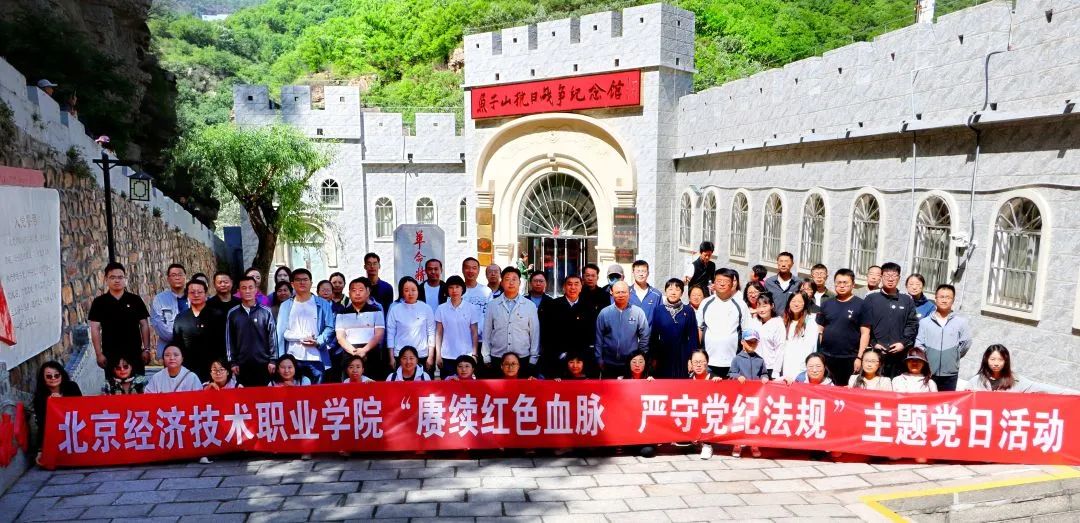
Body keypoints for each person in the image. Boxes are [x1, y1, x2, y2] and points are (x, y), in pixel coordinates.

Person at [89, 262, 151, 377]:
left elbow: (144, 325)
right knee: (114, 386)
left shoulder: (135, 300)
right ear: (106, 279)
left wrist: (146, 349)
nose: (117, 280)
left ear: (125, 279)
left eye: (120, 277)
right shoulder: (99, 303)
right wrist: (98, 354)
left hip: (134, 352)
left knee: (137, 384)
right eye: (112, 277)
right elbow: (95, 328)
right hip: (110, 353)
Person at [276, 268, 336, 384]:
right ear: (292, 284)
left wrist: (318, 341)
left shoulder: (323, 304)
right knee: (294, 391)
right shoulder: (285, 306)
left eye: (305, 279)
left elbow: (330, 327)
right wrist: (281, 358)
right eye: (298, 280)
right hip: (293, 357)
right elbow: (280, 333)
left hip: (316, 356)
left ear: (311, 283)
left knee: (316, 392)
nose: (302, 282)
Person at [860, 262, 919, 378]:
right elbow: (866, 326)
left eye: (894, 276)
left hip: (899, 355)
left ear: (899, 278)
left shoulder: (907, 300)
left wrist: (902, 343)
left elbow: (912, 324)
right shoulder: (871, 298)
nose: (890, 279)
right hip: (876, 353)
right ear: (881, 277)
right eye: (887, 275)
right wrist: (874, 343)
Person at [915, 284, 972, 392]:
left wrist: (954, 355)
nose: (944, 300)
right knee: (927, 399)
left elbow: (966, 342)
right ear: (935, 299)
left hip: (950, 372)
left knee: (947, 401)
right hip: (929, 370)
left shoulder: (961, 322)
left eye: (948, 297)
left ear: (953, 300)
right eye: (941, 297)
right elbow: (919, 344)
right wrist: (927, 357)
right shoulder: (925, 322)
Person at [482, 267, 540, 371]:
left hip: (522, 357)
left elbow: (534, 333)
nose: (511, 282)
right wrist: (486, 356)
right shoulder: (492, 305)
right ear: (502, 283)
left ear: (519, 283)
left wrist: (533, 357)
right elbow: (487, 332)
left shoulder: (530, 305)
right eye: (507, 279)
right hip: (497, 357)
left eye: (514, 279)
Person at [817, 269, 867, 387]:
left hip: (850, 358)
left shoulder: (861, 305)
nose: (842, 286)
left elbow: (865, 333)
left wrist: (859, 357)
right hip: (827, 356)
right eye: (838, 282)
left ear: (853, 284)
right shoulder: (826, 304)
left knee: (847, 390)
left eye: (845, 282)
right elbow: (820, 330)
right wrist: (820, 354)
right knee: (826, 388)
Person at [226, 276, 278, 387]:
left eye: (250, 287)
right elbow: (230, 339)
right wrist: (233, 362)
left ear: (256, 289)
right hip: (241, 365)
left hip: (264, 364)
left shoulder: (266, 312)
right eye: (244, 288)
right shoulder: (233, 313)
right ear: (239, 291)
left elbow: (272, 337)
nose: (247, 291)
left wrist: (273, 360)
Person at [538, 275, 595, 379]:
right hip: (557, 359)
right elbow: (546, 335)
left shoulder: (588, 307)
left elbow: (590, 335)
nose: (573, 287)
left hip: (579, 362)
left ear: (581, 287)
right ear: (564, 287)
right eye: (569, 284)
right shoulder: (552, 306)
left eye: (576, 284)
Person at [697, 269, 750, 378]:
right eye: (719, 281)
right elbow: (699, 328)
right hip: (708, 362)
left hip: (733, 362)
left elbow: (746, 331)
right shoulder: (706, 303)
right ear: (714, 283)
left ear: (732, 283)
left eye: (726, 281)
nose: (722, 284)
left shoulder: (741, 305)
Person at [172, 279, 227, 382]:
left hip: (213, 370)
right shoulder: (181, 318)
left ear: (206, 294)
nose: (196, 295)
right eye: (192, 292)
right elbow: (177, 344)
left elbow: (224, 344)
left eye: (200, 292)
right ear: (187, 295)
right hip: (188, 370)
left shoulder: (218, 316)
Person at [335, 277, 387, 381]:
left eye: (361, 290)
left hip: (371, 354)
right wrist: (354, 353)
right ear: (349, 293)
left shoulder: (376, 311)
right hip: (349, 355)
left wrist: (364, 350)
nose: (357, 293)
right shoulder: (341, 313)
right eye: (354, 290)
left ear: (367, 292)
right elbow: (340, 337)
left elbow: (379, 334)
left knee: (372, 386)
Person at [595, 281, 650, 378]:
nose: (621, 295)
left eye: (624, 292)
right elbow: (598, 338)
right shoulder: (604, 313)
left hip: (630, 364)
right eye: (617, 292)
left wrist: (641, 356)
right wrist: (599, 358)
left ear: (629, 293)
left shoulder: (638, 312)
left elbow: (645, 335)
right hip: (608, 363)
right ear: (612, 293)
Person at [728, 328, 768, 458]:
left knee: (754, 421)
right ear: (742, 342)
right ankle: (737, 444)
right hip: (740, 397)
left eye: (754, 342)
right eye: (749, 341)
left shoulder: (760, 360)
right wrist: (737, 376)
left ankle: (754, 444)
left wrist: (764, 378)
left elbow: (764, 373)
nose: (752, 344)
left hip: (755, 397)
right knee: (739, 421)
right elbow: (731, 373)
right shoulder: (736, 359)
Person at [33, 362, 82, 465]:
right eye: (49, 376)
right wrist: (40, 451)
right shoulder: (40, 397)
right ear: (43, 378)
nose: (53, 378)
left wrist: (62, 402)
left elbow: (82, 409)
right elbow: (42, 424)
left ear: (62, 375)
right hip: (56, 435)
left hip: (76, 430)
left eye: (57, 375)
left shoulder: (72, 387)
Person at [650, 278, 699, 379]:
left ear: (682, 293)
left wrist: (691, 359)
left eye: (677, 289)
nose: (673, 292)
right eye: (670, 289)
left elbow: (693, 337)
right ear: (665, 291)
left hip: (683, 355)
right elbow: (654, 336)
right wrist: (653, 358)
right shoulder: (658, 310)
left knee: (681, 384)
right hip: (663, 355)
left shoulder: (688, 311)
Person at [386, 276, 437, 374]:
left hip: (422, 355)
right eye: (406, 290)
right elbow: (390, 334)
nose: (410, 293)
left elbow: (431, 333)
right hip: (400, 355)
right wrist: (391, 357)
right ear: (402, 292)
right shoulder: (395, 309)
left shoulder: (426, 308)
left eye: (413, 290)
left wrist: (430, 356)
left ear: (418, 291)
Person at [434, 275, 480, 378]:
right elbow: (439, 334)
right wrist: (438, 355)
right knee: (448, 385)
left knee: (466, 386)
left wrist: (474, 354)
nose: (454, 290)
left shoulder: (471, 308)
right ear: (447, 290)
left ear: (462, 289)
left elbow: (474, 333)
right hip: (447, 356)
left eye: (457, 287)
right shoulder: (441, 309)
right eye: (451, 287)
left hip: (466, 356)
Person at [966, 344, 1056, 393]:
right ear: (986, 360)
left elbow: (1038, 387)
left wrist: (1064, 393)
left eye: (1000, 360)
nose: (996, 363)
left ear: (1006, 361)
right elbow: (964, 400)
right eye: (992, 359)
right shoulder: (975, 381)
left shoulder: (1016, 381)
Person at [688, 349, 721, 460]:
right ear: (691, 363)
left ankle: (707, 445)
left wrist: (720, 384)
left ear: (707, 362)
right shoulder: (688, 380)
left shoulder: (714, 379)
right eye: (695, 362)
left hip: (709, 416)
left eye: (702, 362)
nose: (698, 365)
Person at [780, 292, 818, 381]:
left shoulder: (810, 322)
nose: (796, 304)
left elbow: (810, 349)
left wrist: (800, 372)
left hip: (800, 370)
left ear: (805, 304)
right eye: (793, 301)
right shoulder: (784, 321)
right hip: (785, 365)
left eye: (800, 301)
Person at [751, 294, 785, 379]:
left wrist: (776, 371)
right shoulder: (754, 322)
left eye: (764, 306)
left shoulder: (777, 323)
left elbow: (780, 348)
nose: (761, 310)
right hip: (754, 366)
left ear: (772, 306)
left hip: (770, 368)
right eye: (759, 306)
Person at [764, 252, 801, 316]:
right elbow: (764, 302)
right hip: (774, 320)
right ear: (777, 263)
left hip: (792, 320)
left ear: (792, 264)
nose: (783, 264)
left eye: (786, 261)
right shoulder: (769, 282)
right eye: (781, 261)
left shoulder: (798, 283)